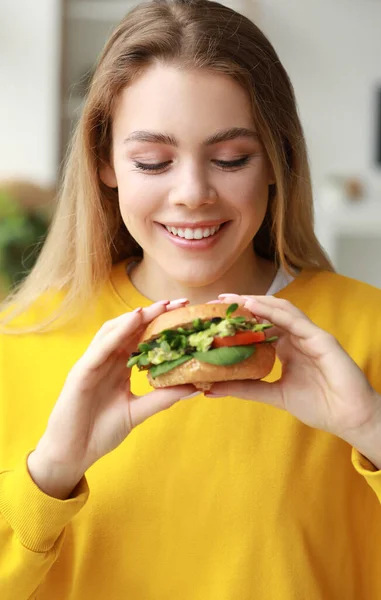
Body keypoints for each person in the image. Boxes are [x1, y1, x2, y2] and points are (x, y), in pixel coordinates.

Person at [0, 0, 380, 598]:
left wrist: (374, 430)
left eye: (231, 159)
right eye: (153, 161)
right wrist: (47, 477)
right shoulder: (20, 343)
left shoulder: (367, 329)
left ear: (278, 158)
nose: (193, 193)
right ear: (105, 161)